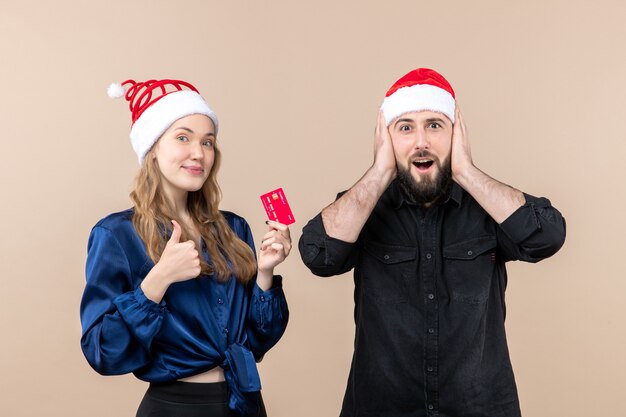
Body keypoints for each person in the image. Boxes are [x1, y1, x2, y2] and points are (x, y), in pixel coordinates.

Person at [298, 68, 566, 417]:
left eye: (435, 125)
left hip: (479, 408)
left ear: (456, 133)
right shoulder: (363, 207)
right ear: (386, 138)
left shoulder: (487, 207)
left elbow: (548, 236)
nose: (421, 141)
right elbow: (318, 256)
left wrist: (466, 171)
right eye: (405, 127)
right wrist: (379, 171)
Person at [80, 78, 290, 417]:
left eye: (208, 142)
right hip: (173, 408)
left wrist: (265, 273)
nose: (199, 153)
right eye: (183, 137)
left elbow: (257, 343)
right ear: (153, 148)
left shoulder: (234, 228)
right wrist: (157, 281)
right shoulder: (116, 234)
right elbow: (102, 352)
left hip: (244, 404)